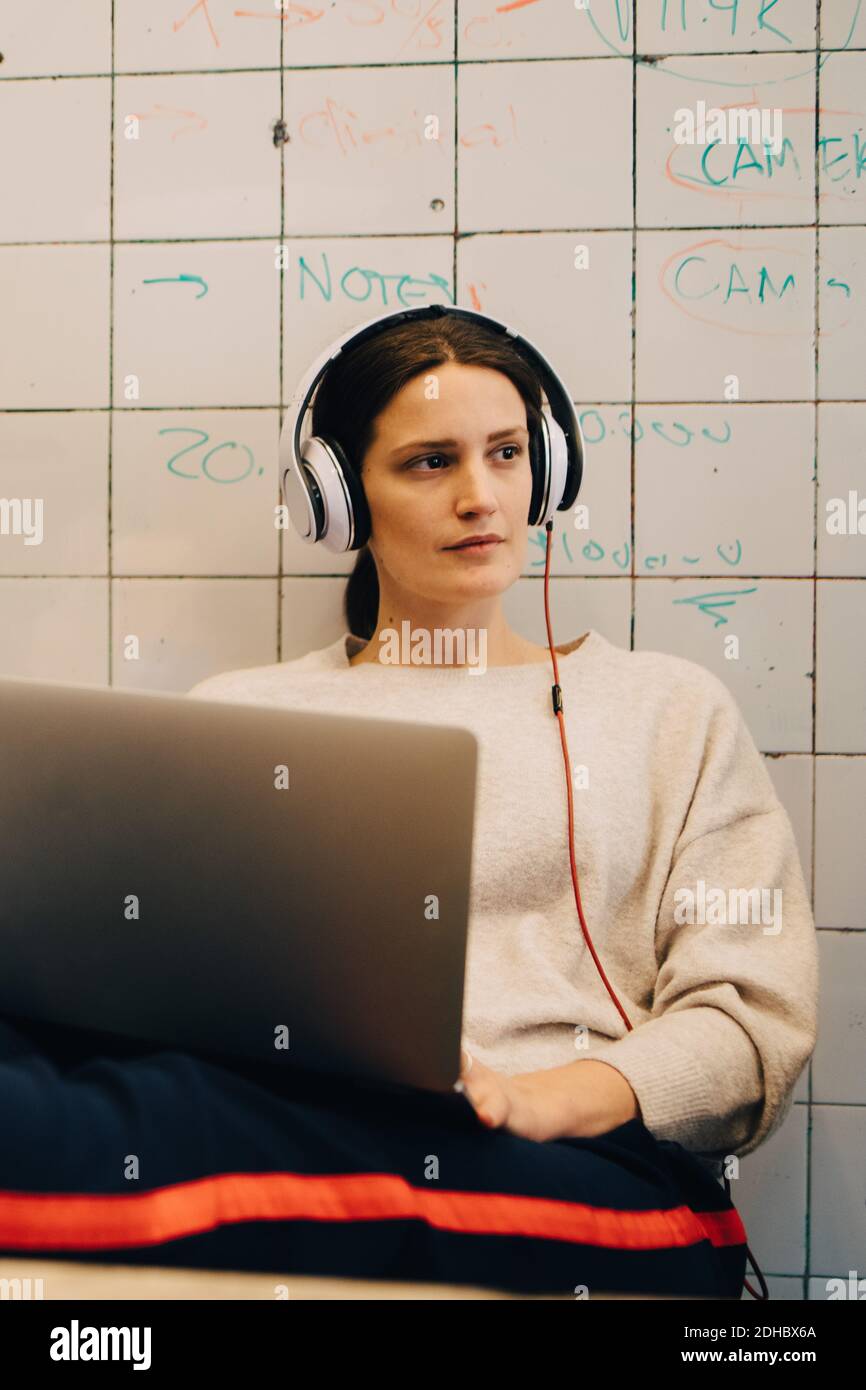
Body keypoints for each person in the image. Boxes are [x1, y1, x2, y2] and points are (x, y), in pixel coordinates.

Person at [0, 315, 817, 1298]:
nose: (480, 496)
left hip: (583, 1164)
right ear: (340, 500)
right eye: (430, 462)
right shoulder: (244, 713)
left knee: (187, 1124)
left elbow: (749, 1027)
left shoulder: (666, 708)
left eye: (506, 453)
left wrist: (536, 1098)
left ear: (546, 471)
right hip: (291, 1110)